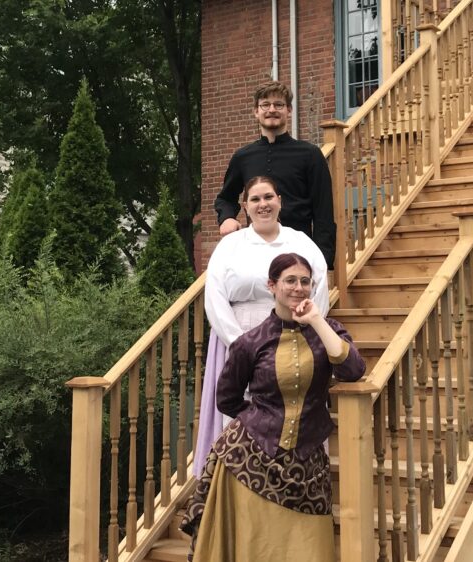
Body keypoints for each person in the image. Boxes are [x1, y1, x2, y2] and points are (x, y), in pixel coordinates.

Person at [181, 253, 365, 561]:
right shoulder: (250, 342)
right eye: (290, 280)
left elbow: (353, 370)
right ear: (272, 285)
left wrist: (316, 320)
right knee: (254, 548)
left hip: (307, 463)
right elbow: (226, 398)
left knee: (310, 549)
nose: (298, 287)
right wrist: (260, 421)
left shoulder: (328, 330)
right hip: (249, 461)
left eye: (305, 281)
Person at [193, 176, 329, 479]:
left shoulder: (300, 242)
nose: (262, 204)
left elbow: (319, 289)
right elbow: (214, 297)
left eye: (268, 197)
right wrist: (240, 344)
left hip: (293, 336)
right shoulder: (230, 246)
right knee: (243, 411)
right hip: (238, 334)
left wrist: (307, 327)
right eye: (255, 199)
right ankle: (238, 478)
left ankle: (293, 478)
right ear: (244, 206)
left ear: (280, 201)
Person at [214, 81, 336, 269]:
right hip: (255, 253)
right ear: (256, 111)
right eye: (265, 105)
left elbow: (323, 213)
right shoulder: (242, 157)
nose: (272, 110)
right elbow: (225, 198)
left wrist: (322, 261)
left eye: (278, 105)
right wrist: (227, 218)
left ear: (289, 110)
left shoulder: (310, 154)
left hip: (299, 254)